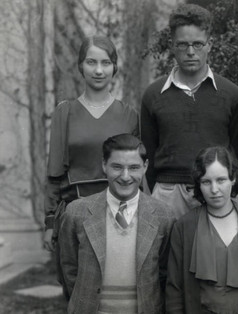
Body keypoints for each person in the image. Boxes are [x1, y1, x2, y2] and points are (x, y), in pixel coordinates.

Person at [43, 36, 139, 297]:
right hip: (76, 215)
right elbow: (54, 173)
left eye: (106, 63)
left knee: (118, 295)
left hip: (120, 216)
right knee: (79, 294)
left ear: (114, 67)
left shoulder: (129, 114)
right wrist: (50, 222)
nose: (99, 70)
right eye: (91, 62)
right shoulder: (65, 112)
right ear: (81, 66)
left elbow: (138, 171)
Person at [141, 3, 238, 219]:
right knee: (168, 253)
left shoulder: (232, 95)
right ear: (172, 45)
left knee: (219, 253)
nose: (190, 52)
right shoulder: (153, 95)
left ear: (210, 44)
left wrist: (228, 187)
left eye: (198, 44)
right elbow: (147, 154)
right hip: (167, 194)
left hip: (218, 192)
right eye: (182, 45)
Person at [59, 134, 176, 314]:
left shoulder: (164, 216)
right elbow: (68, 270)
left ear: (145, 167)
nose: (125, 176)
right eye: (117, 167)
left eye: (134, 167)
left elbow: (164, 273)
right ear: (104, 165)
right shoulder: (77, 213)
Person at [166, 146, 238, 313]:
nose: (214, 190)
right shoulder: (184, 227)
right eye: (206, 182)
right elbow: (174, 290)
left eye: (221, 180)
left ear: (233, 178)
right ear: (199, 183)